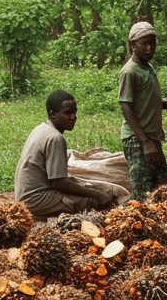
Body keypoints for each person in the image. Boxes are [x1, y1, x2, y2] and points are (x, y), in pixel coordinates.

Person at [17, 90, 129, 220]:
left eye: (75, 112)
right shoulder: (55, 138)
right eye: (68, 113)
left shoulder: (41, 128)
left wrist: (94, 189)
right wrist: (98, 195)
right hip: (37, 200)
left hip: (25, 195)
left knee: (110, 189)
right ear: (53, 114)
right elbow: (59, 183)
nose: (73, 117)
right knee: (92, 202)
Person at [118, 21, 167, 201]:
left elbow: (149, 101)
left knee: (164, 189)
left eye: (152, 43)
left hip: (151, 138)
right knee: (142, 193)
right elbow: (126, 107)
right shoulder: (129, 72)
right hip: (137, 139)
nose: (149, 48)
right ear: (133, 46)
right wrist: (145, 142)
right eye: (144, 43)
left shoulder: (148, 68)